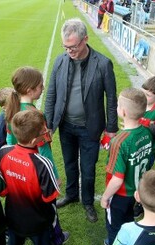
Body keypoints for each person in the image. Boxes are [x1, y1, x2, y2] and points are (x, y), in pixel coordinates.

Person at [45, 18, 118, 223]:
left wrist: (111, 129)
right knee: (69, 164)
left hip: (90, 129)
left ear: (85, 39)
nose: (70, 51)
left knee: (88, 169)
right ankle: (71, 194)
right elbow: (51, 94)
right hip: (66, 126)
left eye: (74, 46)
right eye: (66, 46)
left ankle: (87, 202)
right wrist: (48, 124)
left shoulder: (103, 63)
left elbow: (111, 99)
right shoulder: (60, 61)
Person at [4, 66, 68, 245]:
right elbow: (44, 150)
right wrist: (54, 175)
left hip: (19, 170)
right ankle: (56, 238)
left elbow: (8, 143)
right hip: (38, 170)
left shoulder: (11, 110)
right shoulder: (36, 115)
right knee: (49, 206)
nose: (43, 89)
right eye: (40, 86)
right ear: (29, 90)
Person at [0, 109, 59, 245]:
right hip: (38, 220)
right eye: (43, 131)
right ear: (34, 141)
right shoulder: (43, 163)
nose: (45, 133)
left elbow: (2, 189)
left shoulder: (3, 153)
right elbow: (50, 197)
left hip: (13, 217)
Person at [95, 88, 153, 245]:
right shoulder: (146, 132)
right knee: (128, 221)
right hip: (136, 191)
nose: (116, 108)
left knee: (113, 227)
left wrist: (105, 197)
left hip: (120, 194)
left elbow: (117, 179)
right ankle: (127, 244)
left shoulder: (119, 142)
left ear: (124, 112)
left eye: (118, 105)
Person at [0, 87, 13, 159]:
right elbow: (0, 146)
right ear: (4, 108)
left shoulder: (15, 113)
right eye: (13, 102)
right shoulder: (0, 122)